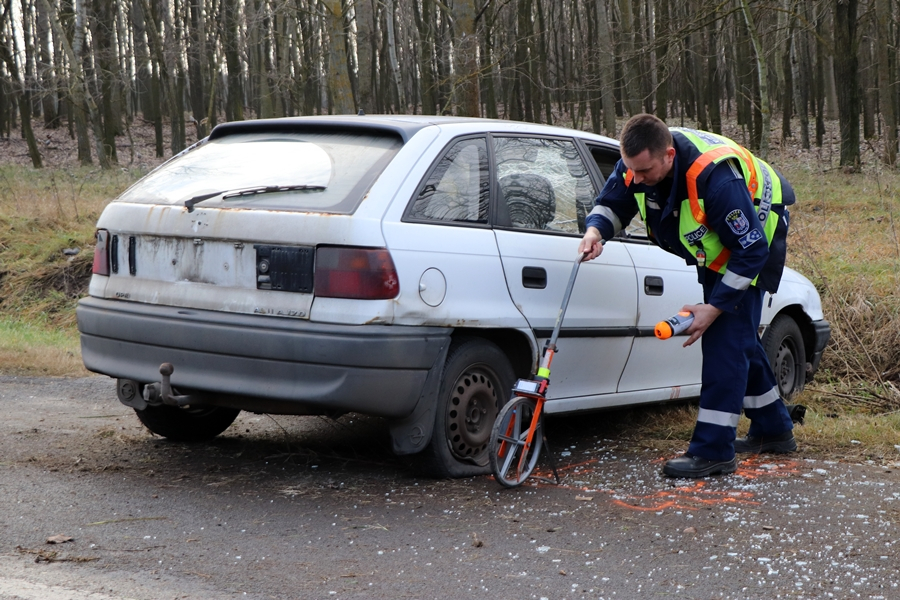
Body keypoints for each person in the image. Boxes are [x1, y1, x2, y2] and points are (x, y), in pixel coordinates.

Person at [578, 114, 797, 478]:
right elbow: (614, 201)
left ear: (668, 155)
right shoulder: (636, 163)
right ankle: (774, 429)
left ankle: (713, 452)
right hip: (718, 248)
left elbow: (751, 250)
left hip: (757, 239)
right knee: (739, 338)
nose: (638, 179)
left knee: (724, 341)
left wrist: (713, 308)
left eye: (645, 171)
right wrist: (594, 232)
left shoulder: (716, 180)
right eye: (632, 170)